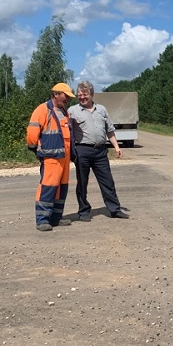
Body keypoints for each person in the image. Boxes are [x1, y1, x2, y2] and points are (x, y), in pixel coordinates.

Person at [67, 80, 129, 221]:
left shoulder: (101, 109)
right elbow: (66, 132)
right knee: (82, 182)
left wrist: (117, 147)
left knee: (108, 181)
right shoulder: (72, 111)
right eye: (79, 95)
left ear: (92, 94)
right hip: (82, 150)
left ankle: (114, 209)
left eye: (85, 94)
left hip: (100, 151)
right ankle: (83, 211)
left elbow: (110, 131)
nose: (82, 97)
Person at [26, 83, 75, 232]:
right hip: (51, 157)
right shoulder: (42, 110)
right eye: (65, 95)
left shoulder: (63, 111)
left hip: (64, 157)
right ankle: (42, 220)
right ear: (56, 94)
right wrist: (36, 150)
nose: (67, 99)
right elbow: (32, 133)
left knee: (61, 188)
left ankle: (56, 218)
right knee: (47, 187)